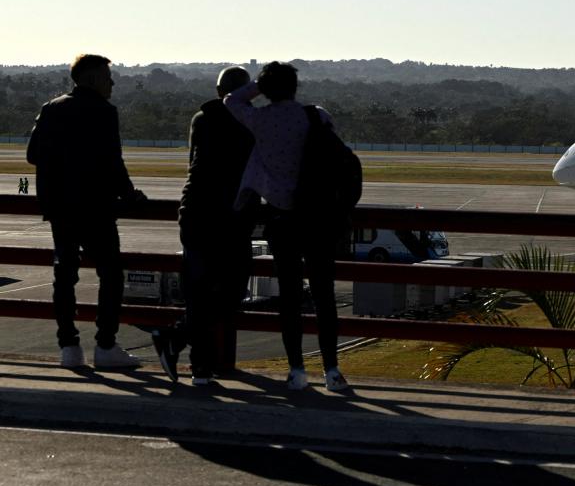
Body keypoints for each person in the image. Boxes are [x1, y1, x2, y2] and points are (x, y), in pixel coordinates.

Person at [224, 61, 349, 391]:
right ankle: (332, 371)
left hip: (283, 219)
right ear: (295, 86)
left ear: (267, 89)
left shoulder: (260, 120)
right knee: (324, 297)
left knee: (291, 300)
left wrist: (256, 88)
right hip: (319, 218)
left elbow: (231, 101)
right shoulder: (316, 116)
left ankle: (297, 369)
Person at [26, 53, 146, 369]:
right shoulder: (104, 112)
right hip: (96, 207)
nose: (113, 82)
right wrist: (130, 194)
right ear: (93, 79)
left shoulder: (50, 109)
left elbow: (33, 155)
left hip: (59, 207)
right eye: (108, 77)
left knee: (64, 276)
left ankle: (69, 347)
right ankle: (105, 345)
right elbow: (113, 162)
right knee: (110, 275)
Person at [166, 65, 257, 385]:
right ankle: (198, 364)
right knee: (222, 293)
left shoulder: (202, 118)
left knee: (206, 294)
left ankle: (180, 342)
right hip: (217, 216)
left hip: (203, 214)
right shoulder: (245, 122)